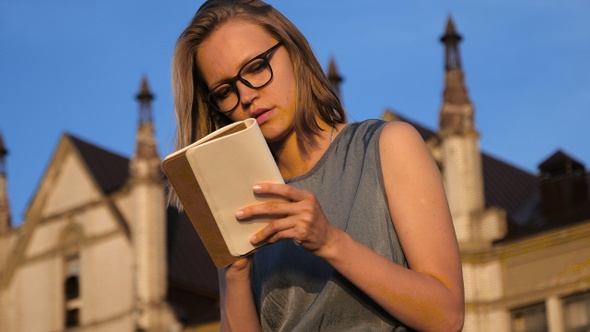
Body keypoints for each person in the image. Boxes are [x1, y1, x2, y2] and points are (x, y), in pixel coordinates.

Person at [169, 0, 465, 331]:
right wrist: (236, 273)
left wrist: (329, 242)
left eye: (255, 68)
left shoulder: (388, 146)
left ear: (295, 53)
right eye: (226, 91)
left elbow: (447, 316)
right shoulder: (241, 203)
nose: (247, 96)